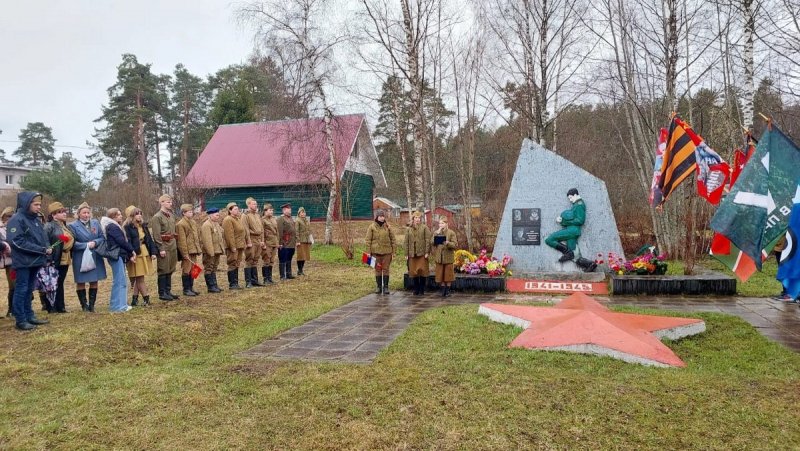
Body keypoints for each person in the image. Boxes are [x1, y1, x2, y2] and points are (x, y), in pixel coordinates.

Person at [7, 192, 52, 330]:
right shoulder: (16, 219)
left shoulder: (35, 220)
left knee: (29, 290)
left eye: (40, 204)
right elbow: (17, 241)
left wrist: (47, 249)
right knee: (21, 290)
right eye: (36, 204)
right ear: (27, 204)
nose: (39, 207)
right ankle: (20, 320)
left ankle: (29, 316)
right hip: (23, 262)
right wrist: (41, 249)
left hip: (35, 261)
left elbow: (42, 238)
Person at [544, 188, 597, 272]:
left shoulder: (579, 205)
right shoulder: (576, 204)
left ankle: (567, 252)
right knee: (575, 256)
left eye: (571, 198)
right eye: (569, 198)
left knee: (549, 239)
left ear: (575, 195)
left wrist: (563, 221)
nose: (570, 200)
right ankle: (590, 264)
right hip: (573, 231)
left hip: (572, 231)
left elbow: (580, 220)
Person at [69, 202, 108, 312]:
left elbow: (101, 237)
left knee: (94, 280)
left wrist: (95, 242)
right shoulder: (72, 226)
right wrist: (85, 245)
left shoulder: (95, 223)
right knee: (81, 281)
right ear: (78, 214)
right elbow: (72, 243)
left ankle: (92, 304)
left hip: (94, 254)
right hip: (80, 256)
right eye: (84, 213)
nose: (86, 215)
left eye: (88, 213)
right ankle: (84, 305)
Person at [100, 208, 136, 312]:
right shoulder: (112, 226)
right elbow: (121, 241)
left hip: (119, 255)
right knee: (119, 281)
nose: (121, 216)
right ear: (113, 217)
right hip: (116, 256)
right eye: (118, 215)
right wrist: (131, 250)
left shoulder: (113, 226)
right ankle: (117, 306)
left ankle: (121, 304)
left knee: (121, 280)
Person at [43, 202, 74, 313]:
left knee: (60, 283)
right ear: (53, 214)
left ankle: (60, 306)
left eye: (64, 211)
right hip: (55, 258)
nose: (64, 213)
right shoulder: (48, 226)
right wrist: (49, 258)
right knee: (52, 283)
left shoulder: (65, 225)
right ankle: (51, 307)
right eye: (61, 212)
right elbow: (47, 243)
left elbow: (69, 239)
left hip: (65, 258)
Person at [123, 206, 158, 306]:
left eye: (140, 213)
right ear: (131, 216)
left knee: (140, 277)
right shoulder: (127, 227)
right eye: (137, 213)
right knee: (139, 278)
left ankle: (134, 300)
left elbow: (149, 240)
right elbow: (128, 242)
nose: (140, 215)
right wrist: (131, 254)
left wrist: (153, 252)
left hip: (144, 252)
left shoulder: (143, 225)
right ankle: (146, 299)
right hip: (135, 254)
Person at [151, 194, 180, 301]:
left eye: (171, 202)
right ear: (161, 202)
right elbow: (157, 235)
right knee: (163, 269)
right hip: (164, 245)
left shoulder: (171, 215)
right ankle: (162, 293)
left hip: (172, 245)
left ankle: (168, 291)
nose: (170, 204)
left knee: (171, 268)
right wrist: (161, 248)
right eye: (168, 202)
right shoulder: (157, 217)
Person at [366, 209, 395, 295]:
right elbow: (368, 240)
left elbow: (393, 239)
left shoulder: (388, 227)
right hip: (375, 253)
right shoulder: (371, 227)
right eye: (380, 216)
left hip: (387, 252)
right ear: (377, 217)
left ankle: (386, 287)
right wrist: (368, 252)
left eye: (383, 216)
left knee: (386, 269)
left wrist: (394, 252)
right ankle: (378, 286)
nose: (382, 218)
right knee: (378, 269)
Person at [176, 203, 203, 296]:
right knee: (186, 269)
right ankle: (186, 289)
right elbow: (181, 241)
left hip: (194, 249)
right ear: (184, 213)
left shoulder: (193, 222)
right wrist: (184, 253)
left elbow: (197, 236)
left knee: (194, 269)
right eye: (189, 212)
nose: (192, 213)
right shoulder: (181, 224)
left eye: (192, 211)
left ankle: (191, 287)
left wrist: (198, 248)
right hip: (187, 251)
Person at [405, 211, 431, 295]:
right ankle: (416, 289)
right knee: (414, 272)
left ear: (421, 219)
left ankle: (422, 289)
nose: (417, 219)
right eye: (415, 218)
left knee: (422, 272)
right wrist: (406, 253)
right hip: (412, 253)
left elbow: (428, 240)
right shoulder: (409, 229)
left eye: (419, 218)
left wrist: (427, 252)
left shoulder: (424, 228)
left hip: (422, 253)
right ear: (413, 219)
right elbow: (406, 242)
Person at [241, 197, 265, 288]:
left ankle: (254, 280)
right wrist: (248, 242)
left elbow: (262, 228)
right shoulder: (245, 215)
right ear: (248, 205)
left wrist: (262, 240)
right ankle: (248, 282)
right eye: (253, 204)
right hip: (251, 239)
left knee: (255, 260)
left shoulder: (257, 215)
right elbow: (245, 230)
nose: (256, 205)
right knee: (249, 260)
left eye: (256, 203)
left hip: (258, 240)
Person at [222, 202, 246, 289]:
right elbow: (229, 235)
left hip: (239, 245)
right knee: (232, 263)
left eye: (237, 208)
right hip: (233, 246)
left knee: (237, 263)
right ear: (230, 210)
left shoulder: (237, 219)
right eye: (235, 209)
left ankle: (236, 283)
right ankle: (232, 284)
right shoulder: (228, 220)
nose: (237, 210)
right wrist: (232, 247)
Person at [431, 217, 457, 297]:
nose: (440, 225)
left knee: (448, 274)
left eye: (442, 223)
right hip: (439, 257)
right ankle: (442, 290)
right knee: (440, 274)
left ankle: (448, 290)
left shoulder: (451, 233)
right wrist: (436, 234)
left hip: (448, 256)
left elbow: (455, 245)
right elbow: (432, 242)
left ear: (446, 224)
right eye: (439, 223)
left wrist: (448, 243)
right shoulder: (436, 232)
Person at [200, 207, 224, 293]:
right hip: (210, 251)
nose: (218, 216)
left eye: (218, 214)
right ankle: (210, 287)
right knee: (209, 268)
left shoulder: (216, 224)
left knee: (214, 267)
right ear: (210, 215)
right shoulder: (207, 225)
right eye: (216, 214)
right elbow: (207, 240)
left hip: (217, 250)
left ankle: (214, 285)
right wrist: (211, 252)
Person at [1, 207, 16, 317]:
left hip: (19, 259)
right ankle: (11, 310)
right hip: (8, 261)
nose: (10, 218)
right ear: (3, 216)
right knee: (13, 285)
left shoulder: (15, 227)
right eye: (8, 216)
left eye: (12, 216)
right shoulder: (0, 229)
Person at [276, 203, 297, 280]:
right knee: (283, 258)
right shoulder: (281, 219)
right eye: (288, 209)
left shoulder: (290, 218)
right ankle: (282, 275)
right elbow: (280, 232)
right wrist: (280, 243)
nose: (290, 210)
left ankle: (288, 273)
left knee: (289, 258)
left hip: (291, 242)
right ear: (284, 210)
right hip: (285, 243)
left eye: (290, 209)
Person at [261, 203, 278, 285]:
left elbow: (276, 231)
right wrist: (263, 243)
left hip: (274, 242)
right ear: (265, 211)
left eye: (272, 210)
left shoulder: (274, 219)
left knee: (271, 261)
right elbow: (262, 232)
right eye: (270, 210)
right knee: (266, 260)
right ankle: (265, 279)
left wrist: (277, 243)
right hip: (267, 243)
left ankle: (269, 278)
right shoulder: (263, 220)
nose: (271, 212)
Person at [295, 207, 311, 276]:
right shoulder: (297, 220)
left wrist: (310, 239)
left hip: (306, 240)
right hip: (301, 240)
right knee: (300, 256)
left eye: (304, 212)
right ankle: (299, 270)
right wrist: (297, 240)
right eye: (301, 213)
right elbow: (296, 231)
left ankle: (301, 270)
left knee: (305, 256)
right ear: (299, 214)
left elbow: (309, 231)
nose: (303, 214)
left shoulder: (307, 220)